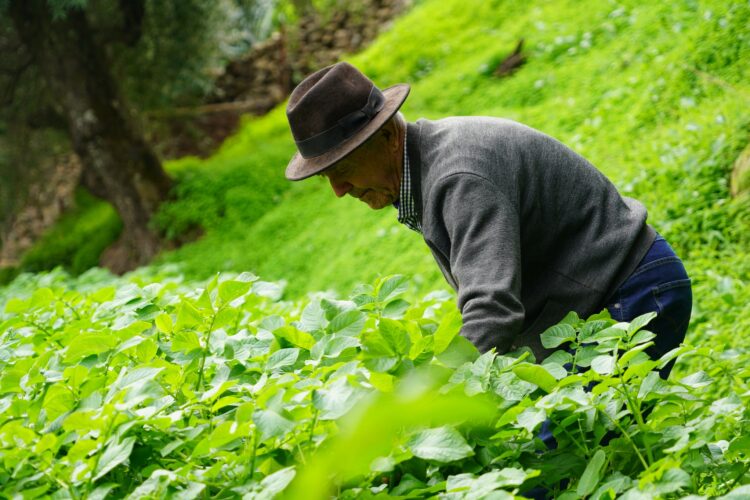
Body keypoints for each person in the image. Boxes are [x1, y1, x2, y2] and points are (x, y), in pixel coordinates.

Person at [284, 61, 692, 377]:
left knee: (552, 459)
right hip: (597, 299)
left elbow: (492, 308)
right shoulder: (426, 165)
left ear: (388, 137)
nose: (338, 189)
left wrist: (427, 399)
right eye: (327, 176)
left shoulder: (458, 176)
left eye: (342, 168)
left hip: (631, 293)